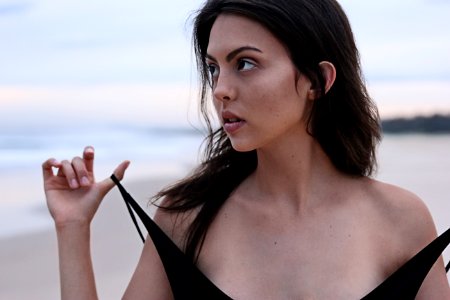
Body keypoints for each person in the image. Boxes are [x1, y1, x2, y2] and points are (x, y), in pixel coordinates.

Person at [42, 0, 450, 299]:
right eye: (214, 68)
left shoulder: (400, 219)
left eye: (246, 63)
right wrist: (72, 229)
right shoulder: (186, 218)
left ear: (318, 81)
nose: (220, 90)